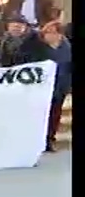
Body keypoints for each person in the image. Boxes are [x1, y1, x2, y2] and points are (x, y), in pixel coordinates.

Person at [41, 21, 71, 153]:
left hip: (61, 83)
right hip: (43, 85)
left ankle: (50, 138)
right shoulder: (39, 46)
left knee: (55, 113)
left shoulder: (66, 47)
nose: (49, 36)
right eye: (47, 32)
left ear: (59, 34)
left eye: (53, 32)